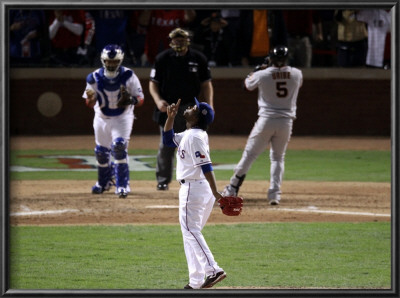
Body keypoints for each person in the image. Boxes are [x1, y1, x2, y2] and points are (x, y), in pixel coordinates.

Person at [223, 45, 303, 205]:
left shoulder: (263, 74)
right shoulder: (297, 73)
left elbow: (246, 85)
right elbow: (285, 78)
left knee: (250, 155)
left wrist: (258, 69)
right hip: (286, 122)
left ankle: (232, 188)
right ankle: (274, 194)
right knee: (278, 158)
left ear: (272, 59)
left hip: (266, 120)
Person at [162, 97, 226, 290]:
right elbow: (168, 140)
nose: (189, 107)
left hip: (194, 188)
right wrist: (170, 118)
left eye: (194, 108)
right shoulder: (190, 134)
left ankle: (213, 269)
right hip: (197, 189)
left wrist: (216, 192)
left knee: (191, 231)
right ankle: (196, 280)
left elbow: (206, 165)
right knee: (189, 233)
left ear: (198, 117)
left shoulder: (195, 137)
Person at [149, 27, 214, 191]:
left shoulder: (198, 58)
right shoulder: (162, 58)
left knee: (194, 143)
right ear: (171, 41)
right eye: (176, 40)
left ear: (187, 41)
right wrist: (158, 101)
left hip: (190, 107)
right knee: (166, 145)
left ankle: (196, 178)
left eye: (182, 40)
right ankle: (163, 180)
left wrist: (210, 104)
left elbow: (206, 84)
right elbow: (153, 83)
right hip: (169, 106)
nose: (179, 42)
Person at [82, 44, 144, 198]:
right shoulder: (94, 77)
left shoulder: (129, 76)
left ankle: (123, 184)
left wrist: (130, 99)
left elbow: (141, 99)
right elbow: (89, 103)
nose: (111, 64)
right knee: (101, 152)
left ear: (120, 60)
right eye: (108, 62)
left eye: (114, 61)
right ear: (103, 60)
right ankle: (103, 182)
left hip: (122, 117)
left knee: (119, 147)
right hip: (101, 118)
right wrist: (90, 99)